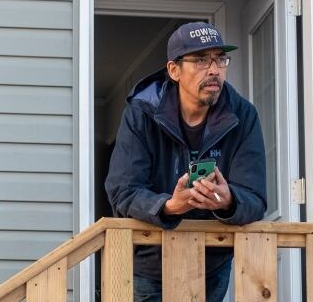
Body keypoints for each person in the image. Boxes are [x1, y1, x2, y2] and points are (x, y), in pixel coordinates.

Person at [105, 21, 267, 302]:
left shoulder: (243, 115)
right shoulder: (142, 113)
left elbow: (255, 198)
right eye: (201, 60)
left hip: (212, 263)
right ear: (174, 70)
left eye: (220, 59)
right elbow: (123, 191)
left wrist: (229, 201)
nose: (214, 69)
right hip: (150, 262)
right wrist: (168, 206)